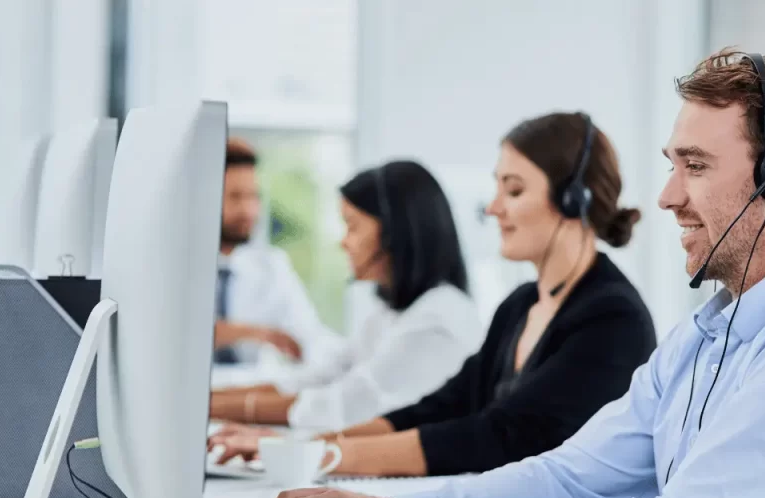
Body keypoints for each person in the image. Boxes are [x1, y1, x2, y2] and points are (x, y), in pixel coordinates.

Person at [260, 49, 765, 498]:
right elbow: (566, 479)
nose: (666, 196)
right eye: (672, 165)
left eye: (694, 166)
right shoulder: (707, 337)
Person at [208, 111, 657, 479]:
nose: (493, 206)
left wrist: (319, 456)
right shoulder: (521, 304)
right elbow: (441, 408)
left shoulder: (611, 319)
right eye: (497, 186)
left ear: (573, 200)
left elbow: (495, 436)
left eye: (514, 189)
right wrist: (299, 449)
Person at [209, 160, 482, 431]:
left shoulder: (438, 317)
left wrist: (213, 409)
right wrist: (210, 401)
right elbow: (321, 377)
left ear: (393, 233)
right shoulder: (389, 314)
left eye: (352, 226)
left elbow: (346, 404)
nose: (343, 242)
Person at [213, 137, 341, 365]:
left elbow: (310, 336)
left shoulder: (272, 265)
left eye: (254, 196)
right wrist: (250, 333)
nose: (249, 210)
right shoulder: (174, 268)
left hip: (248, 392)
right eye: (235, 196)